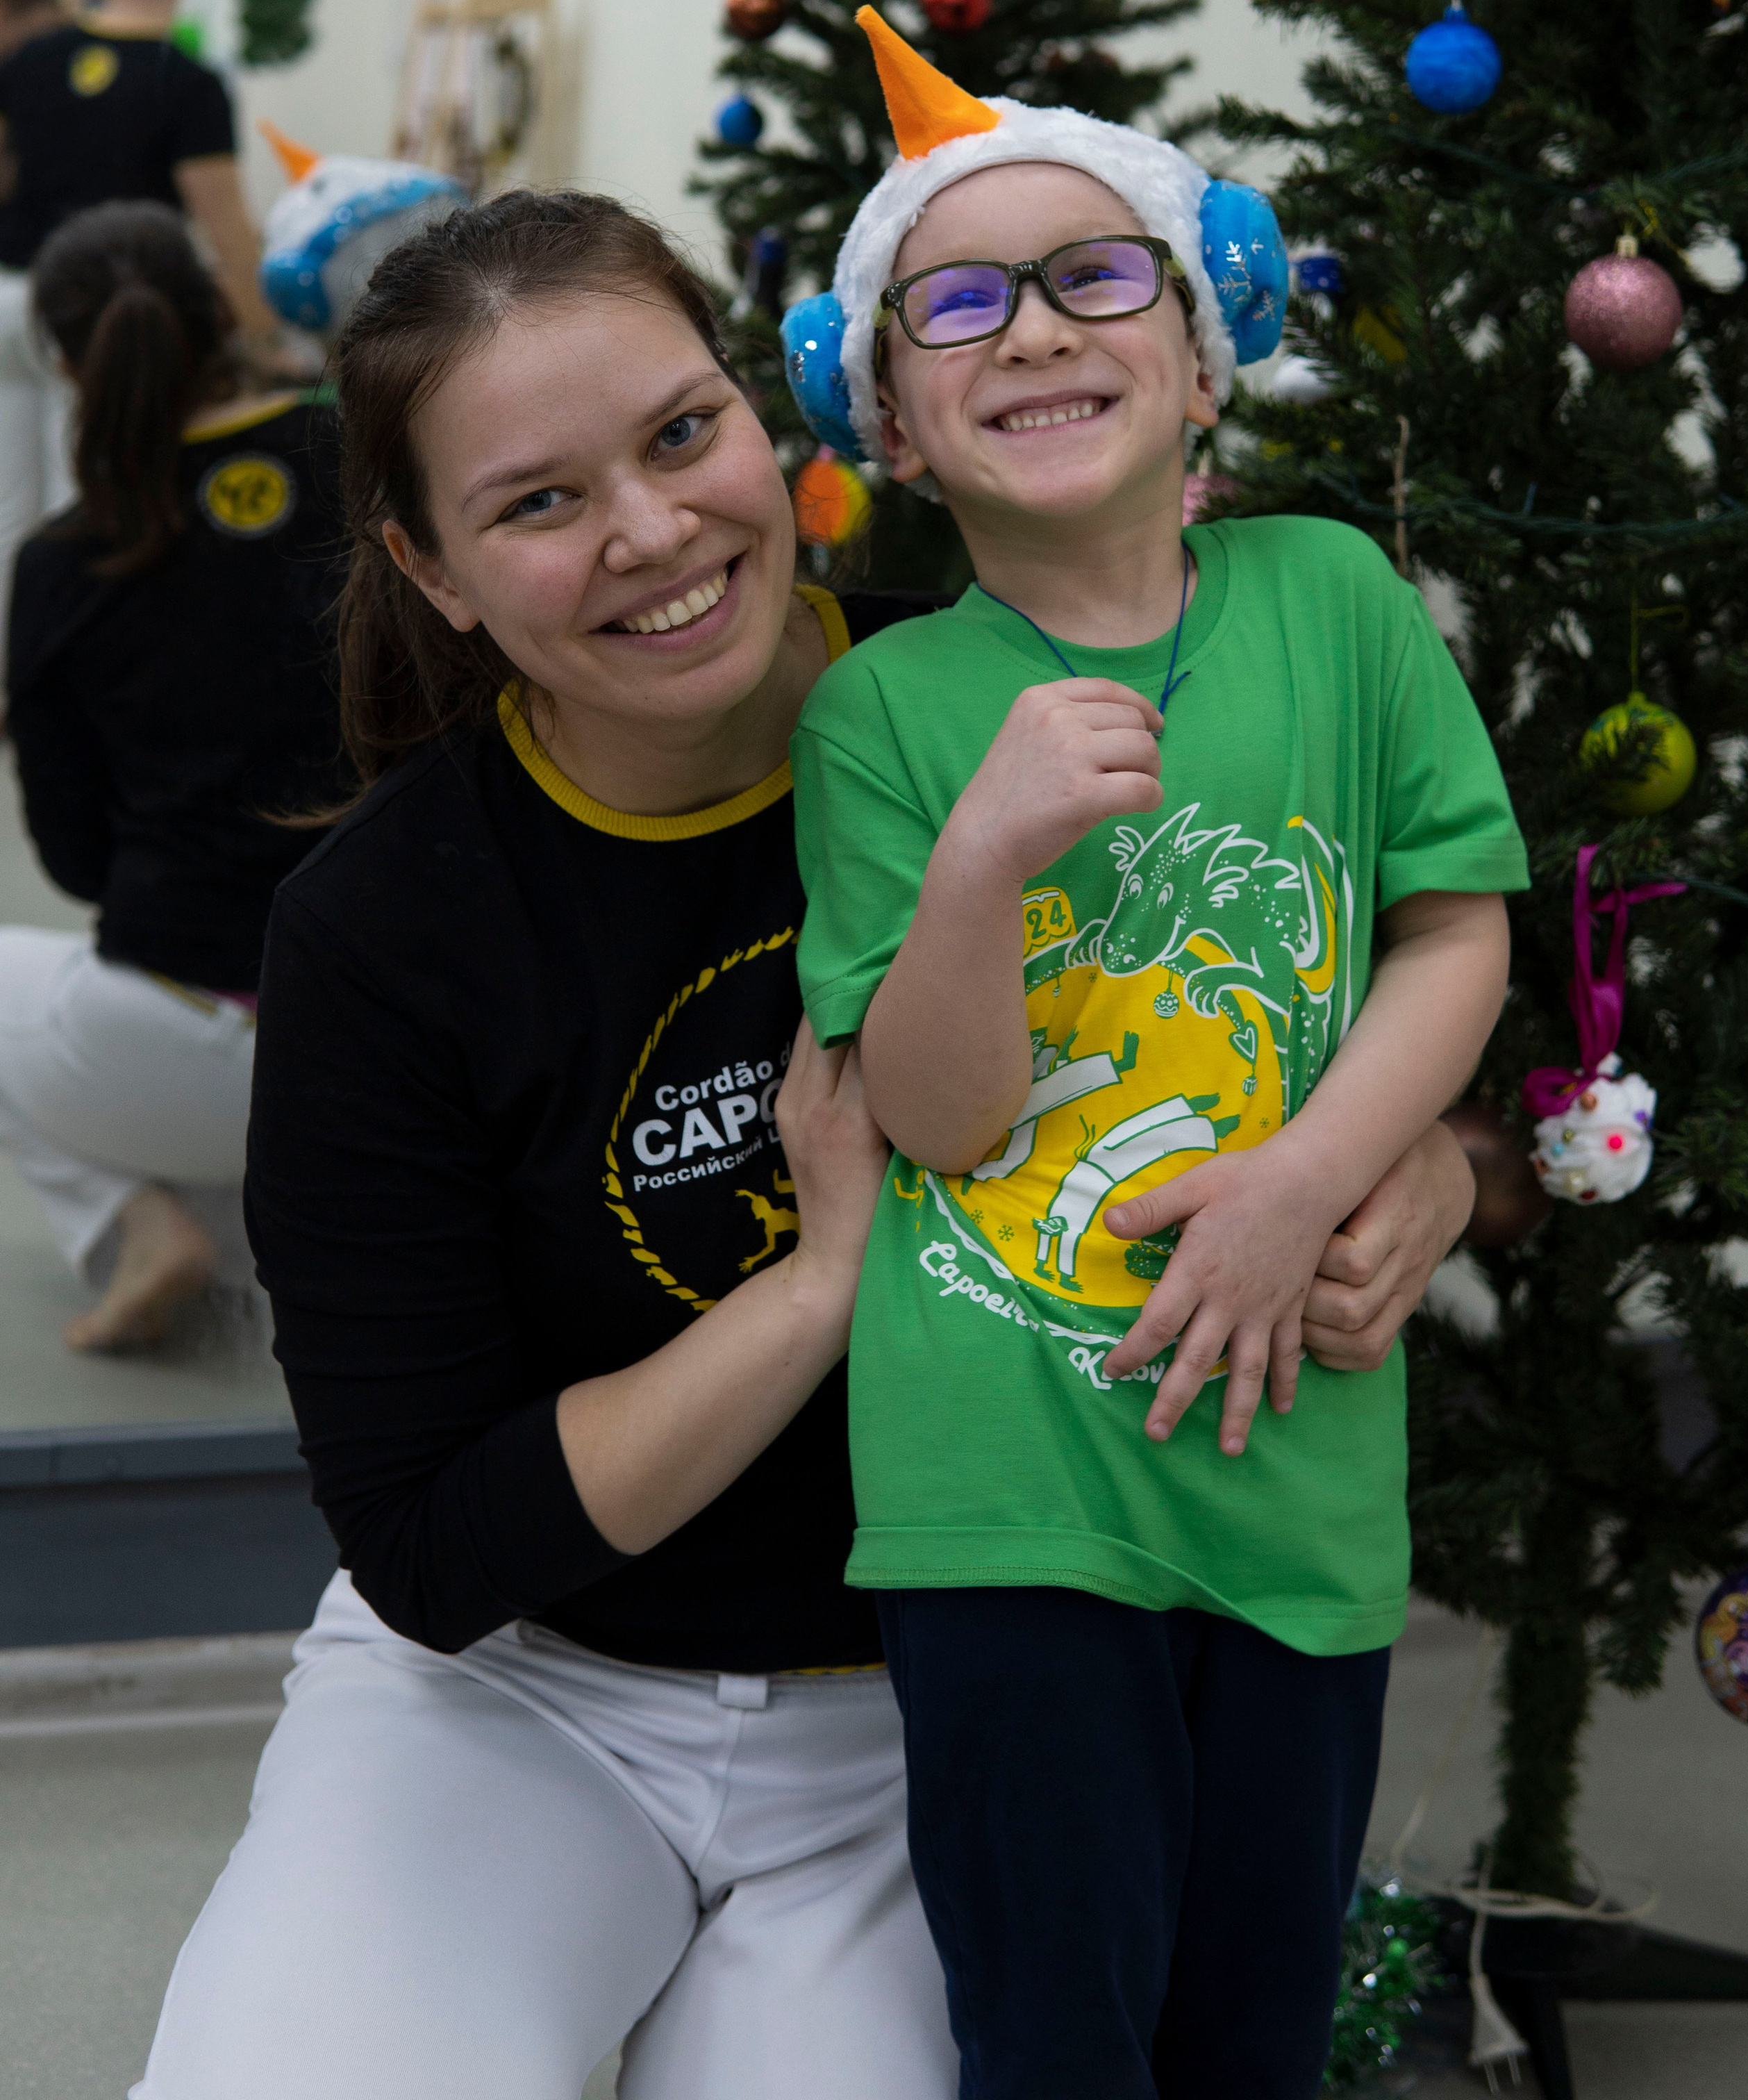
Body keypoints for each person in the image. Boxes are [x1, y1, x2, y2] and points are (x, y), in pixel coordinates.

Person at [133, 188, 1477, 2100]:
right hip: (523, 1697)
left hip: (934, 1713)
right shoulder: (383, 934)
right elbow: (433, 1543)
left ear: (781, 422)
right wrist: (822, 1281)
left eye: (685, 434)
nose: (654, 534)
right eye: (536, 503)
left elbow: (1366, 944)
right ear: (431, 568)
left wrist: (1418, 1169)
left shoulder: (1005, 703)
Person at [788, 11, 1530, 2100]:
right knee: (1051, 2036)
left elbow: (1450, 932)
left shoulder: (1336, 601)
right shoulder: (884, 711)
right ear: (895, 424)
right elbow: (934, 1111)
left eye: (1093, 273)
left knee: (1253, 2031)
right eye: (955, 299)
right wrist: (980, 860)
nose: (1029, 326)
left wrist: (1310, 1180)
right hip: (1006, 1494)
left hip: (1293, 1465)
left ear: (1202, 351)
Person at [1, 202, 344, 1350]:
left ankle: (135, 1224)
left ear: (60, 363)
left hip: (175, 1026)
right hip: (402, 1038)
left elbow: (76, 860)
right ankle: (247, 1241)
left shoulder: (62, 561)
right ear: (220, 312)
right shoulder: (360, 456)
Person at [0, 0, 279, 347]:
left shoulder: (28, 59)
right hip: (113, 314)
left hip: (13, 297)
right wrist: (266, 340)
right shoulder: (190, 82)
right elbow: (224, 225)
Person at [0, 0, 76, 672]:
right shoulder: (54, 72)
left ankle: (11, 672)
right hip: (64, 289)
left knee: (8, 498)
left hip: (6, 287)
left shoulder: (15, 78)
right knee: (73, 478)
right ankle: (60, 658)